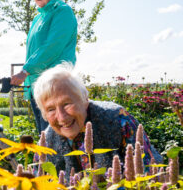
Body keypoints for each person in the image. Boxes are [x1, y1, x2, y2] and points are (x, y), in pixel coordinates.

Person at [33, 64, 163, 179]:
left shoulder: (118, 120)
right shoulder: (46, 143)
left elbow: (150, 171)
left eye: (67, 104)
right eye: (50, 109)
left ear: (84, 99)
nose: (61, 117)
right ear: (44, 115)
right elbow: (38, 187)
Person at [10, 0, 77, 134]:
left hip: (55, 84)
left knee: (58, 137)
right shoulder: (37, 19)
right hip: (36, 85)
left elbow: (52, 47)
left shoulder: (62, 12)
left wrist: (25, 71)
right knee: (44, 137)